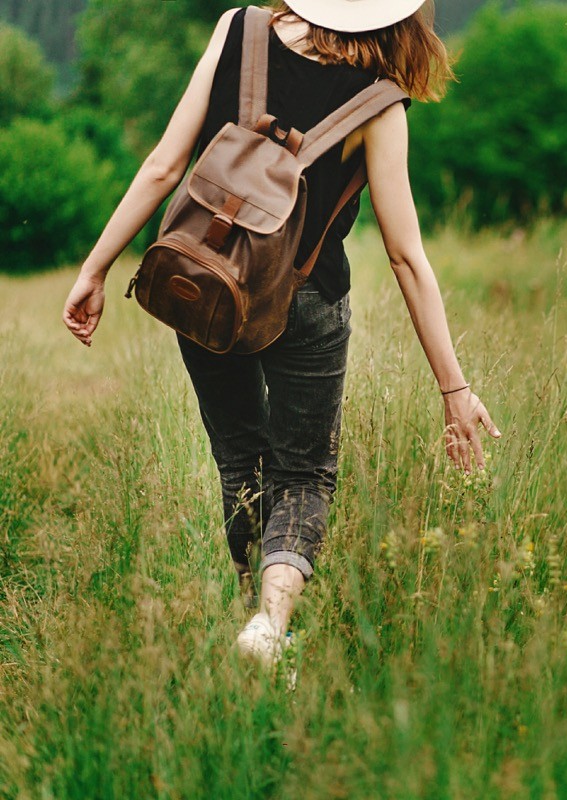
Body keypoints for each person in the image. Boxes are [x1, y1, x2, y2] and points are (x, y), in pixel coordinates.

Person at [61, 0, 501, 665]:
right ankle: (270, 627)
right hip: (308, 299)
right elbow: (405, 253)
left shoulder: (240, 28)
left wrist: (95, 269)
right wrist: (453, 388)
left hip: (203, 281)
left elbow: (162, 165)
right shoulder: (380, 97)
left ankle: (258, 625)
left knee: (241, 459)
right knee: (303, 474)